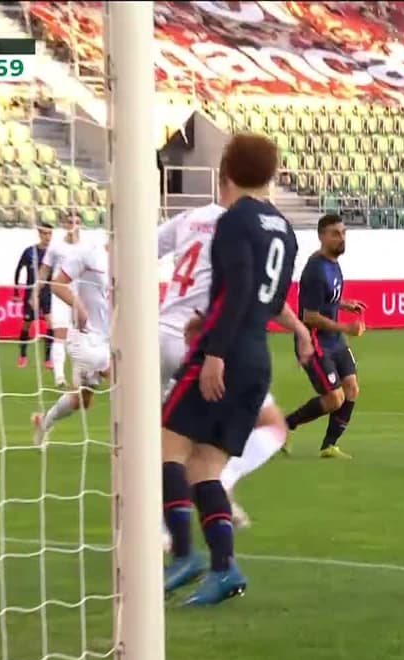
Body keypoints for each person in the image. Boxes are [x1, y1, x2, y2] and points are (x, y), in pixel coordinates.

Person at [160, 134, 298, 607]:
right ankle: (224, 568)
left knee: (164, 450)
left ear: (226, 172)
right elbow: (269, 299)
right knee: (206, 468)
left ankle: (184, 554)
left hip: (224, 354)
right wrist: (211, 320)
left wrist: (212, 350)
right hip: (257, 355)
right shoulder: (283, 226)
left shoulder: (233, 220)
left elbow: (236, 289)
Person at [157, 192, 313, 535]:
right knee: (272, 427)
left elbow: (140, 251)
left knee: (167, 439)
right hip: (198, 338)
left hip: (157, 333)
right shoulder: (244, 226)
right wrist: (300, 329)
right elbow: (251, 292)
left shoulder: (188, 217)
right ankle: (214, 489)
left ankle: (153, 530)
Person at [282, 213, 366, 459]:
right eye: (335, 234)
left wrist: (344, 304)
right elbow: (309, 316)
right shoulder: (315, 270)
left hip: (334, 341)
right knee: (334, 398)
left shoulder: (332, 263)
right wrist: (346, 328)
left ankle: (329, 445)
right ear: (322, 237)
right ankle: (287, 425)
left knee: (352, 388)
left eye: (343, 233)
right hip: (315, 342)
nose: (341, 238)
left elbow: (328, 298)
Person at [30, 237, 111, 443]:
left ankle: (44, 421)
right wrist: (79, 308)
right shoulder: (91, 253)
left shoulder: (135, 262)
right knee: (130, 385)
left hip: (112, 338)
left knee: (81, 402)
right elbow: (57, 284)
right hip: (87, 337)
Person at [38, 211, 83, 388]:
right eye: (70, 221)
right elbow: (45, 270)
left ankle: (78, 377)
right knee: (60, 335)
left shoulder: (87, 247)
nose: (73, 224)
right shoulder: (56, 247)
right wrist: (36, 292)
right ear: (64, 225)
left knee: (80, 337)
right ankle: (59, 377)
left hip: (80, 296)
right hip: (59, 294)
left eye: (77, 221)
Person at [14, 223, 55, 369]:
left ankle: (48, 359)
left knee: (50, 323)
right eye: (45, 233)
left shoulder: (53, 253)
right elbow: (18, 269)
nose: (47, 237)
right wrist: (16, 292)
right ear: (39, 234)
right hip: (31, 292)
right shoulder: (30, 252)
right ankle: (23, 356)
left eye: (50, 234)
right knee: (27, 324)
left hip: (47, 292)